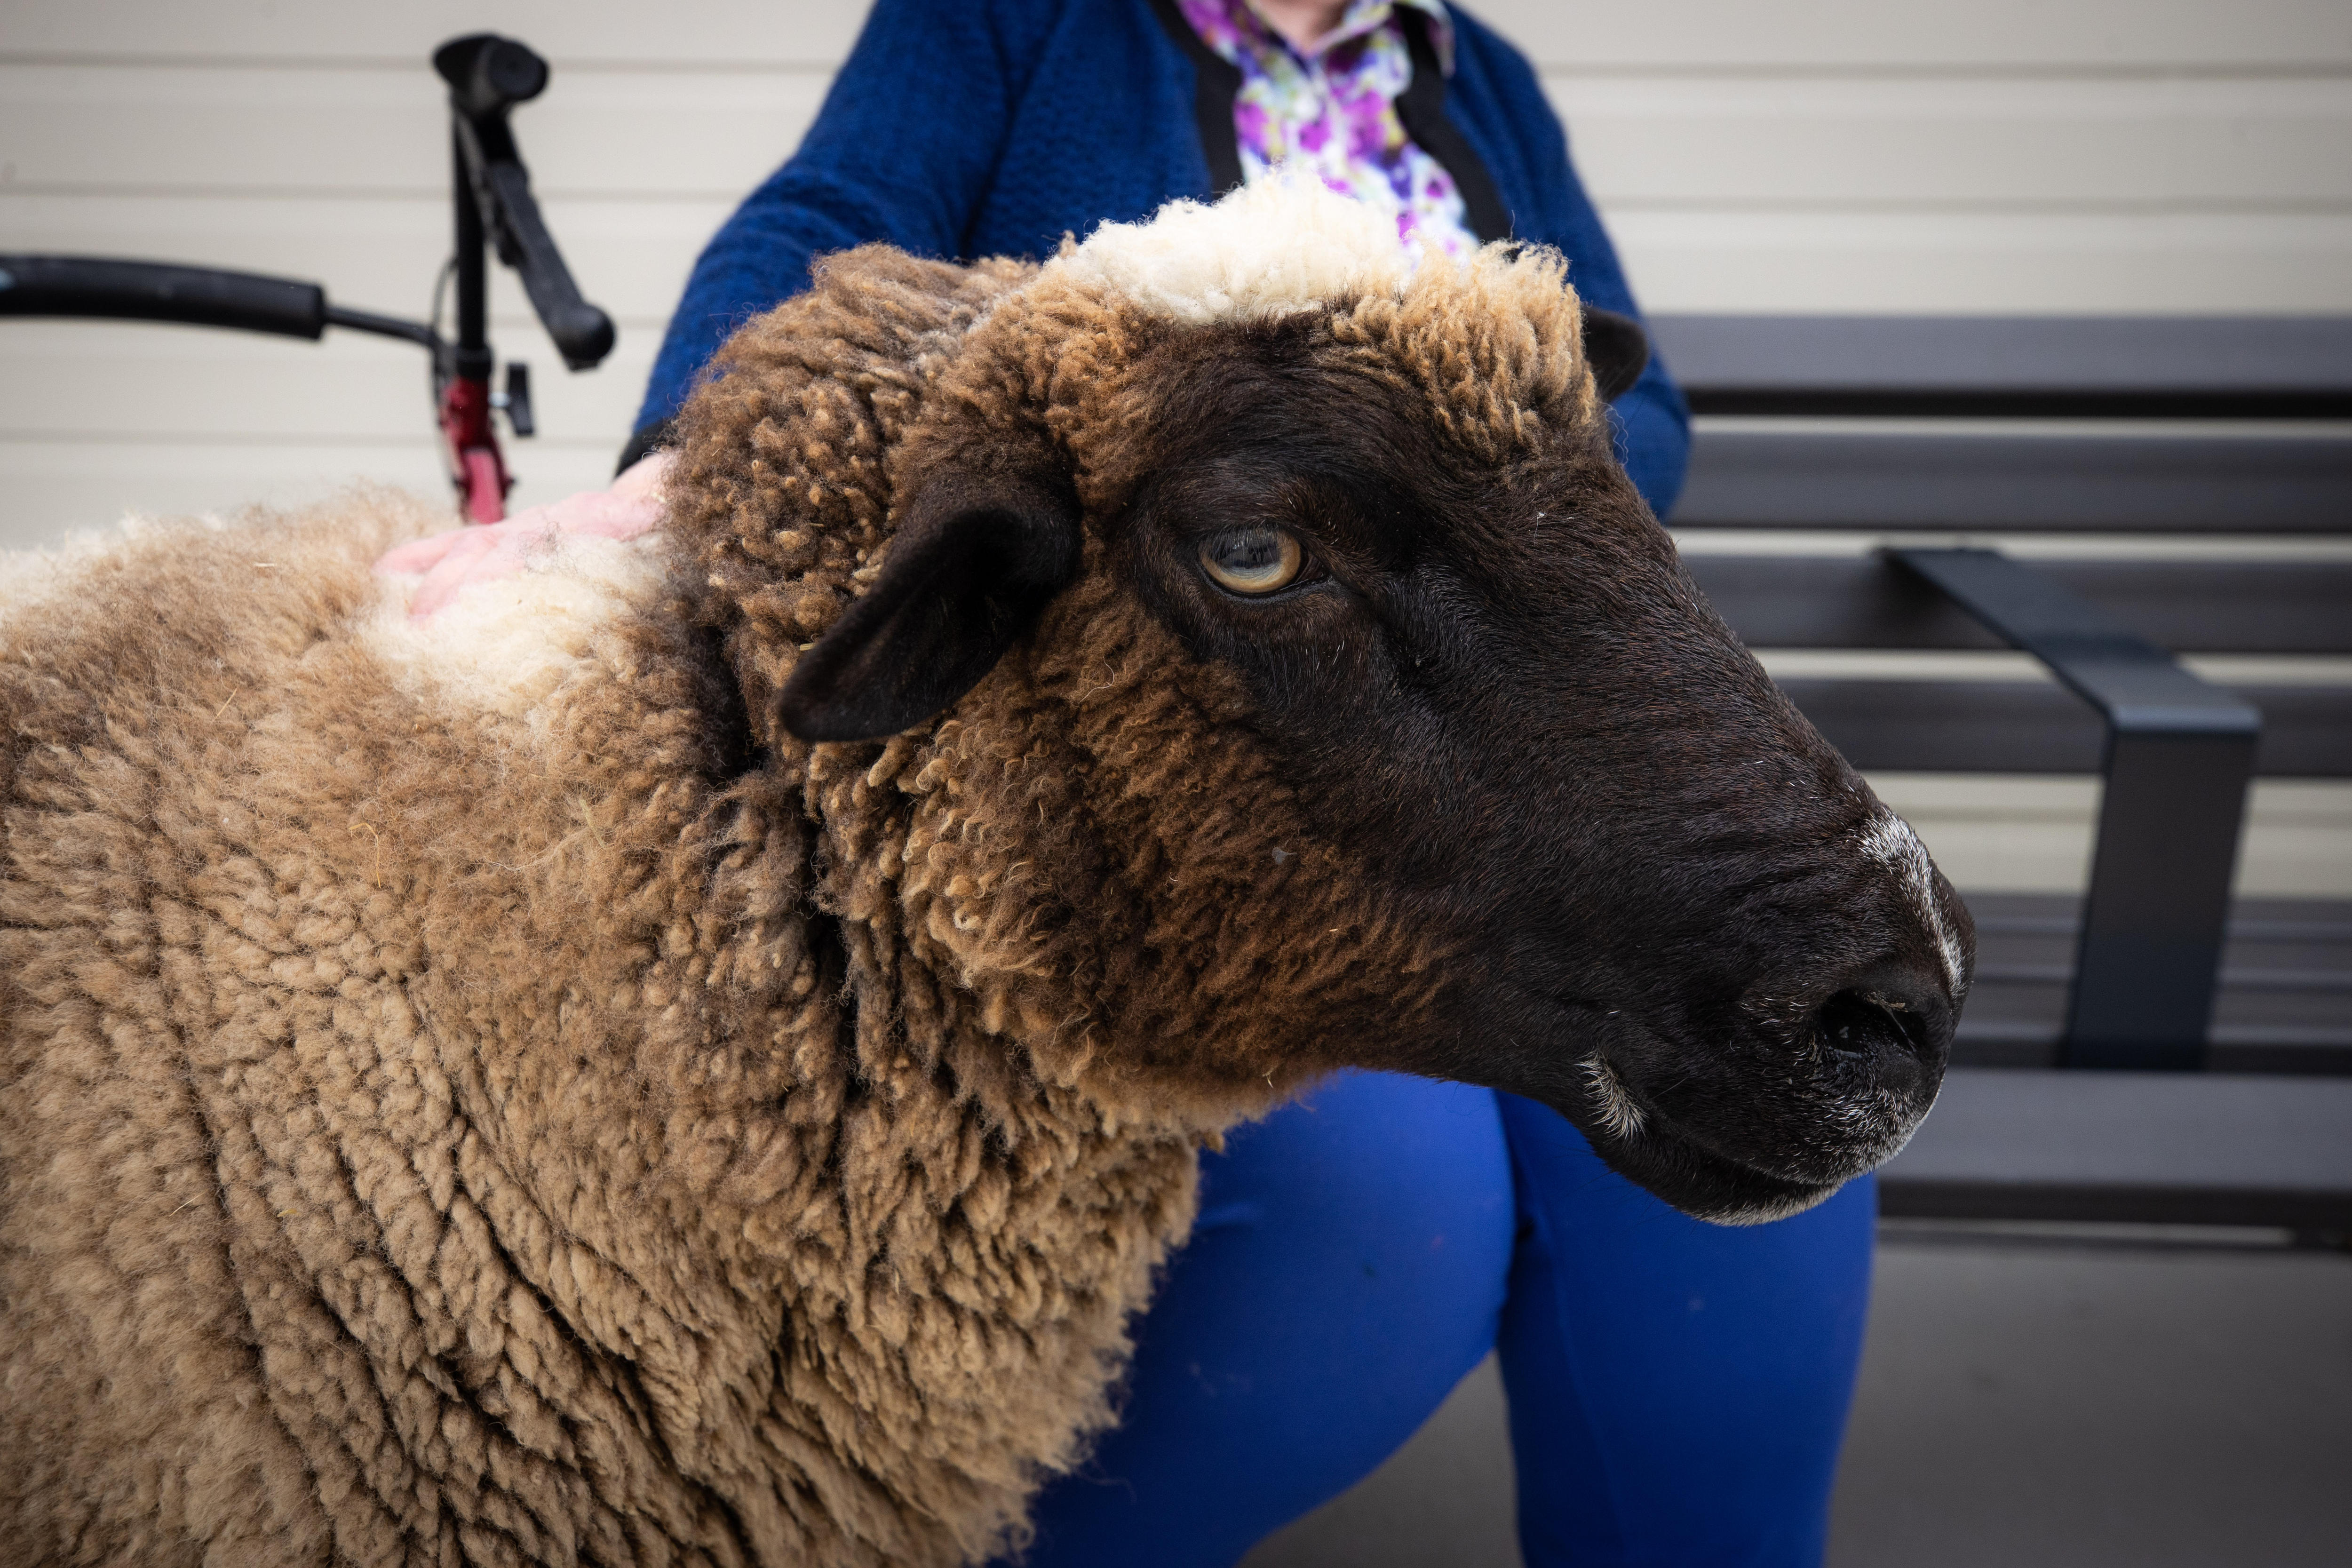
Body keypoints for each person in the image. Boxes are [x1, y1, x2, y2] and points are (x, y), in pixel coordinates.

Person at [386, 5, 1877, 1564]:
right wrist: (677, 465)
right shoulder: (1012, 23)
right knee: (1392, 1219)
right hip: (1218, 814)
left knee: (1762, 1126)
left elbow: (1632, 388)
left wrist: (1459, 485)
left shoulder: (1475, 72)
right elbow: (824, 216)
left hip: (1503, 761)